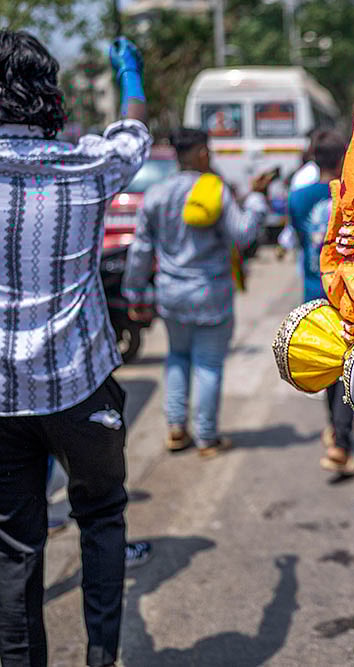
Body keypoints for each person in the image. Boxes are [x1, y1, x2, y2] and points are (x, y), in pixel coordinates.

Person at [0, 31, 150, 667]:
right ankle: (100, 656)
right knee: (103, 517)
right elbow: (134, 131)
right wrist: (131, 78)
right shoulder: (89, 165)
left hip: (3, 400)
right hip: (81, 386)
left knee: (13, 548)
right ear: (49, 95)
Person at [123, 128, 276, 457]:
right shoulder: (214, 190)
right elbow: (244, 234)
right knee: (207, 363)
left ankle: (177, 428)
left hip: (171, 293)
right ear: (203, 154)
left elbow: (140, 250)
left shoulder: (156, 193)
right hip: (210, 293)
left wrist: (135, 293)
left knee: (177, 357)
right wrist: (257, 198)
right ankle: (206, 437)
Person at [286, 130, 354, 477]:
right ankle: (341, 444)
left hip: (314, 289)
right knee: (347, 369)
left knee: (329, 364)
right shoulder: (353, 196)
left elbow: (302, 241)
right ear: (342, 157)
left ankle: (336, 434)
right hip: (350, 293)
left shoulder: (298, 197)